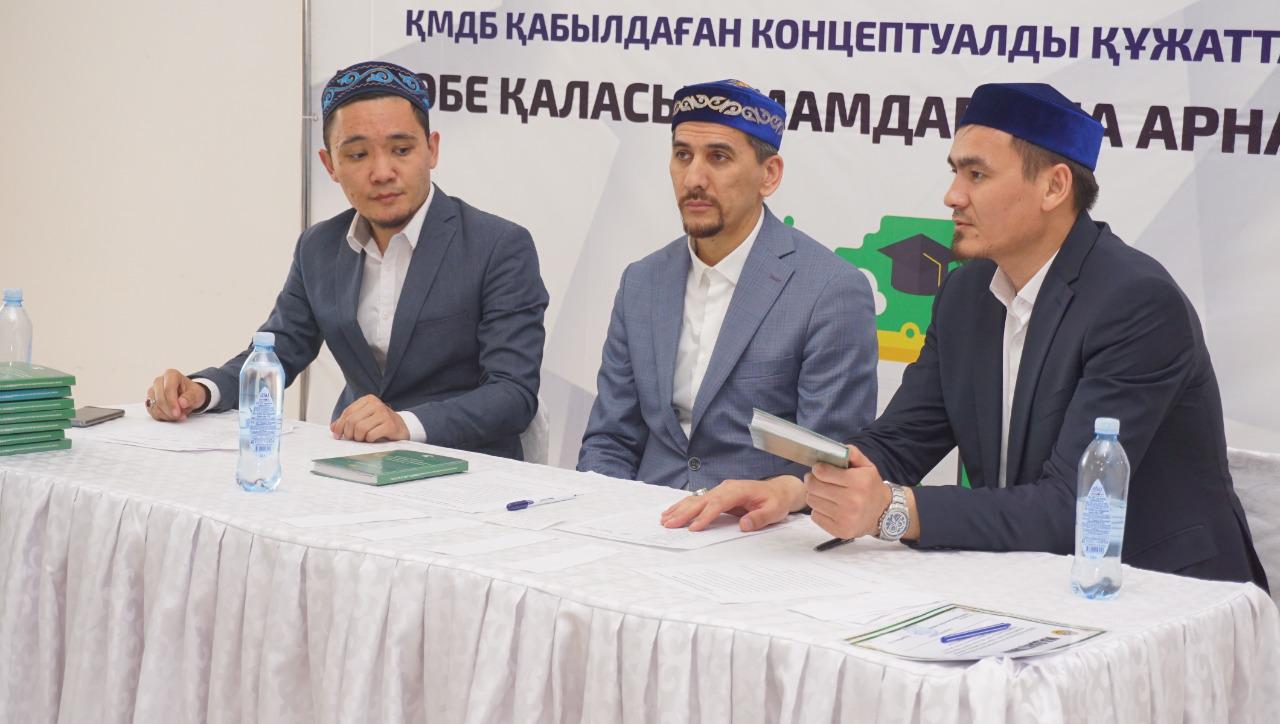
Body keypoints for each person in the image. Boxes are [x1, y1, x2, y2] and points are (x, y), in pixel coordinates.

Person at [663, 82, 1268, 589]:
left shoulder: (1137, 303)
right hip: (1030, 580)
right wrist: (794, 490)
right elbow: (902, 441)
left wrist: (891, 510)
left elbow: (1075, 507)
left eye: (977, 174)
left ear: (1054, 187)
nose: (952, 196)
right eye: (956, 172)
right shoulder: (965, 293)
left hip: (1159, 593)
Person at [144, 61, 549, 460]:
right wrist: (202, 392)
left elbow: (512, 393)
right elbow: (278, 352)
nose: (382, 172)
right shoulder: (318, 246)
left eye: (402, 150)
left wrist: (404, 424)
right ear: (330, 165)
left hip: (468, 468)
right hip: (354, 462)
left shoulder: (497, 246)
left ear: (432, 150)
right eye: (357, 155)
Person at [577, 79, 878, 491]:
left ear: (769, 175)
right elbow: (610, 440)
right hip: (643, 514)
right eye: (682, 155)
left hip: (760, 523)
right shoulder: (642, 282)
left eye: (718, 157)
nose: (693, 178)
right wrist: (604, 513)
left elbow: (829, 467)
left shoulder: (829, 291)